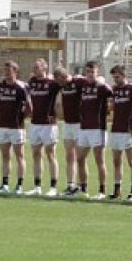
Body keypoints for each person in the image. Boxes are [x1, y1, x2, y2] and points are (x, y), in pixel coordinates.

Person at [76, 61, 113, 200]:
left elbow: (112, 93)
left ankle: (101, 191)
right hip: (84, 127)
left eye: (93, 72)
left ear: (97, 73)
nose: (90, 75)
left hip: (98, 128)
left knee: (99, 160)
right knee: (80, 159)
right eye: (88, 72)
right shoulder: (83, 85)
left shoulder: (102, 87)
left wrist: (102, 82)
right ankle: (83, 189)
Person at [0, 61, 31, 195]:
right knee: (5, 155)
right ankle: (4, 184)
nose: (6, 73)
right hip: (2, 125)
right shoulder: (0, 86)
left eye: (9, 70)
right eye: (5, 70)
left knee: (19, 155)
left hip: (17, 127)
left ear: (15, 71)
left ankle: (19, 185)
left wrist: (21, 118)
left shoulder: (21, 87)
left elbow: (29, 107)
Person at [108, 64, 132, 202]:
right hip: (116, 128)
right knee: (116, 161)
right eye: (114, 77)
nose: (115, 80)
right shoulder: (114, 90)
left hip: (128, 129)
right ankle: (117, 191)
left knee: (131, 161)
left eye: (117, 77)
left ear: (124, 75)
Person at [26, 59, 61, 196]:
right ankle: (37, 186)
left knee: (50, 154)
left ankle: (53, 187)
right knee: (36, 155)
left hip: (48, 124)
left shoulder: (52, 84)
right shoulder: (32, 82)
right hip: (35, 123)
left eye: (37, 67)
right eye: (33, 67)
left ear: (44, 68)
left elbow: (66, 83)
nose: (34, 69)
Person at [54, 67, 83, 196]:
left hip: (79, 124)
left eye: (59, 80)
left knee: (80, 157)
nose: (58, 83)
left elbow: (94, 82)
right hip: (67, 123)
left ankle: (81, 186)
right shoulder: (62, 86)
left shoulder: (78, 82)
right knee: (69, 156)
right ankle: (70, 185)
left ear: (64, 76)